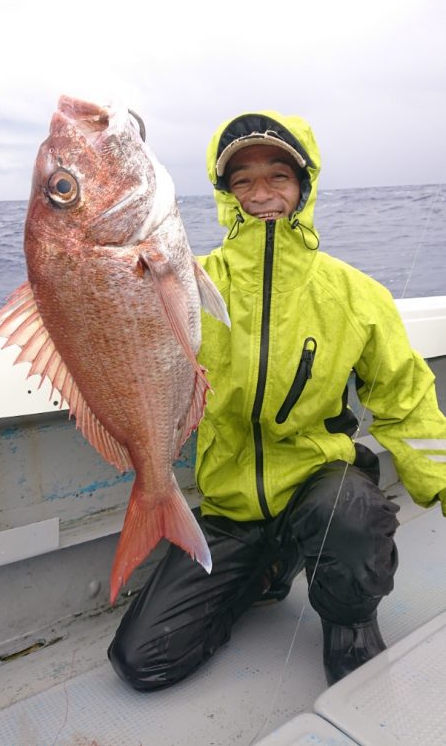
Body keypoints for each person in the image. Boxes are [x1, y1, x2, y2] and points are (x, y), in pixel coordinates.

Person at [108, 110, 446, 689]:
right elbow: (115, 314)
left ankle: (349, 623)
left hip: (318, 484)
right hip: (229, 504)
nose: (261, 194)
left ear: (304, 186)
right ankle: (262, 569)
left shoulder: (356, 293)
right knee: (142, 662)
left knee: (354, 514)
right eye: (243, 181)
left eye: (278, 177)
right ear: (224, 195)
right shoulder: (184, 281)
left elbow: (405, 399)